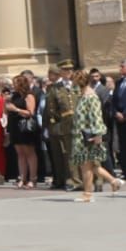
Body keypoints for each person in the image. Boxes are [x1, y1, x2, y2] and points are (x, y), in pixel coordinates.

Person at [69, 73, 119, 201]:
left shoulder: (91, 97)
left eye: (74, 84)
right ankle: (114, 181)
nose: (72, 87)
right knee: (91, 166)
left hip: (88, 137)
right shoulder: (84, 96)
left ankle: (87, 194)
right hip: (81, 136)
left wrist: (98, 135)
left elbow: (96, 117)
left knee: (86, 166)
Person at [43, 63, 78, 191]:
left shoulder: (74, 85)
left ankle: (70, 179)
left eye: (70, 69)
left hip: (69, 124)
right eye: (65, 70)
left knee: (67, 153)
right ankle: (60, 179)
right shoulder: (53, 88)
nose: (68, 71)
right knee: (57, 154)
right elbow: (50, 108)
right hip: (56, 125)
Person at [5, 73, 40, 188]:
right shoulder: (14, 96)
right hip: (15, 126)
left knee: (29, 152)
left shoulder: (29, 96)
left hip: (25, 127)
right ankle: (22, 177)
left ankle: (33, 178)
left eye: (15, 83)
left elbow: (30, 113)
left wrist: (15, 109)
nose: (13, 86)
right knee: (20, 153)